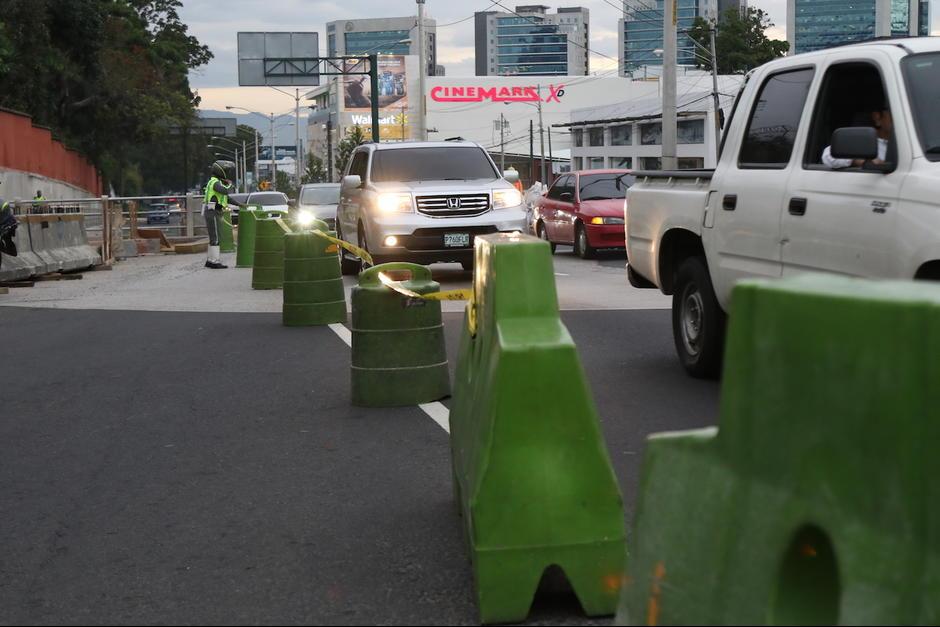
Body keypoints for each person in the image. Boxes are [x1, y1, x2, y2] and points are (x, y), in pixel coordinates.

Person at [822, 105, 892, 169]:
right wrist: (860, 161)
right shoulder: (864, 142)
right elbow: (828, 155)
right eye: (892, 110)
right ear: (877, 117)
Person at [203, 160, 243, 269]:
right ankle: (215, 261)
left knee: (214, 237)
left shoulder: (216, 182)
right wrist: (229, 184)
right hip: (213, 212)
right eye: (226, 170)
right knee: (215, 237)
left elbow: (226, 198)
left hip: (214, 211)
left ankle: (210, 260)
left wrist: (239, 204)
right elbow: (225, 192)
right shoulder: (215, 183)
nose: (227, 173)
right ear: (220, 171)